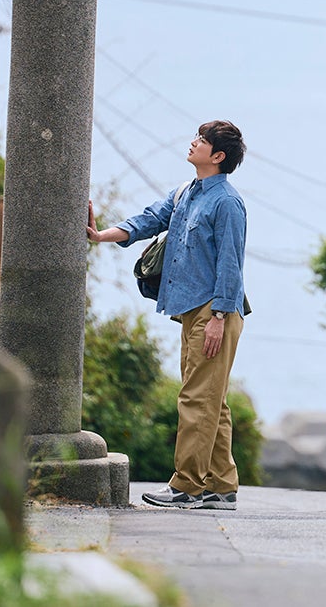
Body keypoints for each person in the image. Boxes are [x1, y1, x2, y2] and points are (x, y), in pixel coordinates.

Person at [86, 120, 249, 510]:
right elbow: (148, 219)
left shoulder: (226, 202)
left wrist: (220, 317)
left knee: (196, 399)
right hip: (194, 310)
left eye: (202, 141)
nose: (193, 143)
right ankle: (222, 487)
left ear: (218, 156)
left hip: (215, 311)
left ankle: (187, 486)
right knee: (213, 400)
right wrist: (101, 235)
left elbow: (231, 262)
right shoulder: (186, 192)